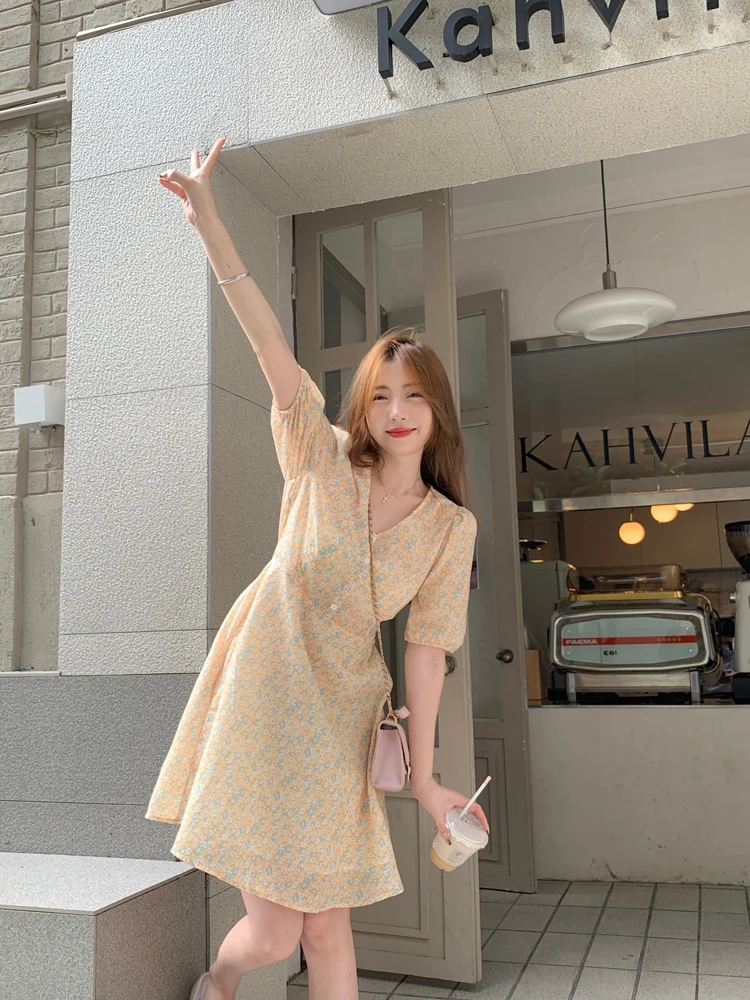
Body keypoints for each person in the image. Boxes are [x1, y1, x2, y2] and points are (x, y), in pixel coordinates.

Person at [145, 137, 488, 1000]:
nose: (398, 411)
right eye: (381, 394)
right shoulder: (318, 453)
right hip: (266, 688)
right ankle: (220, 981)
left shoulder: (452, 527)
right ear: (362, 407)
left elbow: (426, 652)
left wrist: (426, 780)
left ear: (438, 410)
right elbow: (268, 340)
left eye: (415, 395)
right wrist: (211, 224)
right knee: (274, 932)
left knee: (330, 928)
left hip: (343, 713)